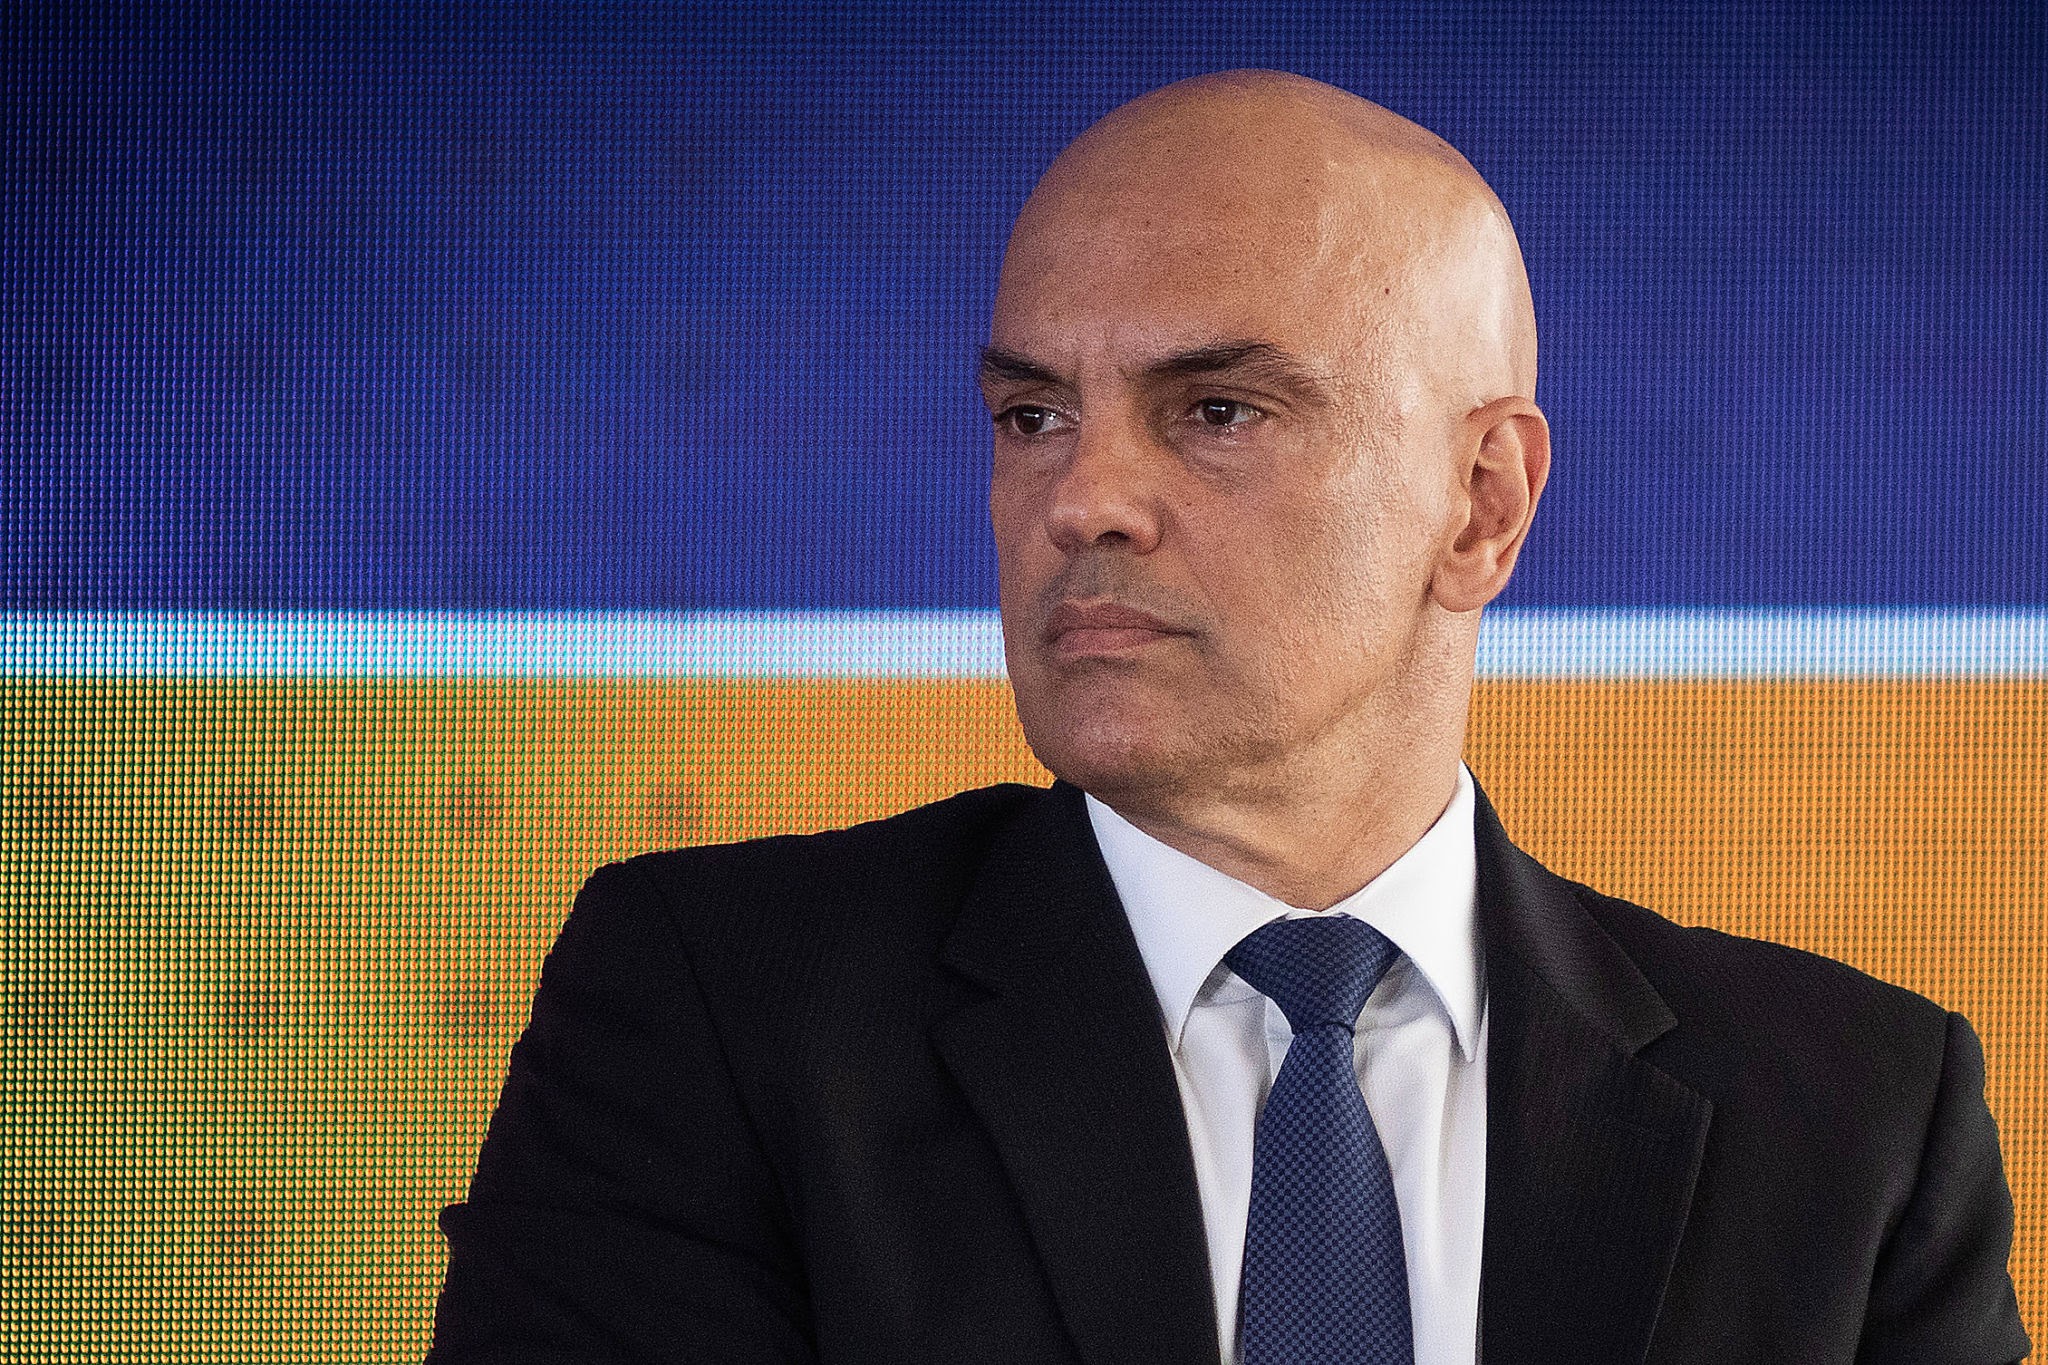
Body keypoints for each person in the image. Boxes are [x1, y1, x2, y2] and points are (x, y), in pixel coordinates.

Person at [427, 71, 2029, 1364]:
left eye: (1214, 410)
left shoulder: (1857, 1120)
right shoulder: (722, 1012)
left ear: (1481, 502)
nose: (1081, 499)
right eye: (1032, 414)